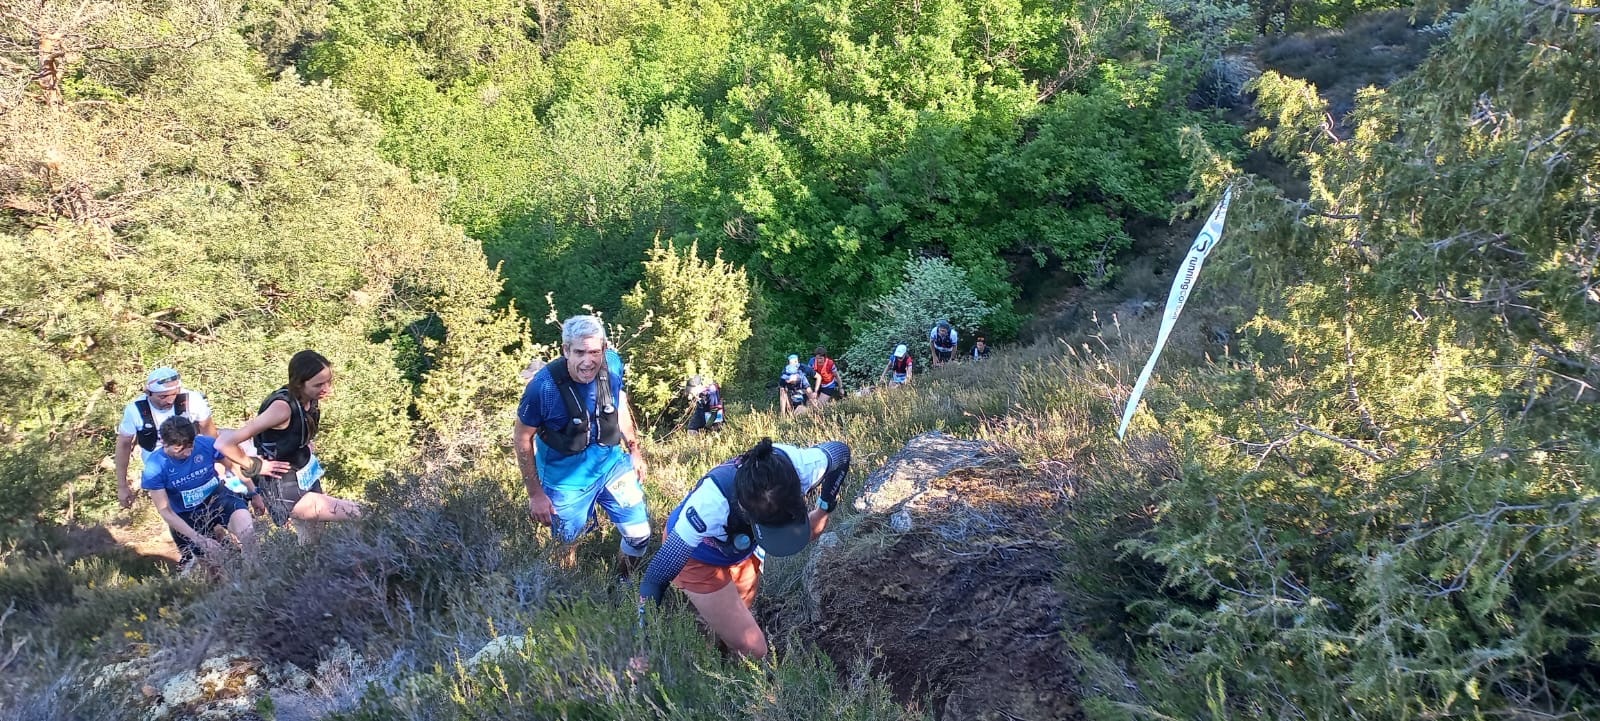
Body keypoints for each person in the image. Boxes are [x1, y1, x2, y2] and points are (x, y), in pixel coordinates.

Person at [638, 438, 850, 658]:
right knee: (755, 648)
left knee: (743, 606)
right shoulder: (708, 508)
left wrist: (824, 509)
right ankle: (703, 655)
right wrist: (643, 641)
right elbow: (655, 579)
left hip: (740, 548)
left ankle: (722, 647)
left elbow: (841, 452)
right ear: (745, 510)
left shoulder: (803, 466)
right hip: (696, 557)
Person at [513, 316, 651, 571]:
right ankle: (571, 588)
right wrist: (536, 494)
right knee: (566, 546)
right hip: (566, 482)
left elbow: (619, 402)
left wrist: (634, 449)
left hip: (611, 465)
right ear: (566, 350)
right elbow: (522, 438)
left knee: (639, 535)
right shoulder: (543, 388)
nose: (588, 361)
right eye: (579, 352)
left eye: (595, 352)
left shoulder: (612, 364)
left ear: (604, 349)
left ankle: (623, 583)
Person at [217, 350, 362, 534]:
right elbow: (223, 443)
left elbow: (291, 431)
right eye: (319, 384)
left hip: (305, 475)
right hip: (286, 488)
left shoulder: (309, 398)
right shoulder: (282, 408)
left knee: (315, 540)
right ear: (299, 383)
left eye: (329, 381)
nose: (327, 389)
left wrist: (303, 443)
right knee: (358, 512)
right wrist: (256, 466)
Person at [143, 417, 288, 566]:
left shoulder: (206, 444)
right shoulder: (155, 467)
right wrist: (200, 539)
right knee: (213, 566)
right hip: (187, 515)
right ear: (164, 443)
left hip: (219, 499)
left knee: (248, 535)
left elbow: (233, 466)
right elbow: (165, 510)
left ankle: (254, 572)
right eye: (179, 450)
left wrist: (253, 493)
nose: (187, 453)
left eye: (190, 447)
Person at [114, 366, 217, 509]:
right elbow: (123, 445)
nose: (170, 400)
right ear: (148, 393)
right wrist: (122, 486)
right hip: (160, 465)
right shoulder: (135, 411)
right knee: (175, 507)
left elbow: (209, 431)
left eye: (174, 394)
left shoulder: (192, 400)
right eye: (162, 397)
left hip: (193, 456)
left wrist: (219, 461)